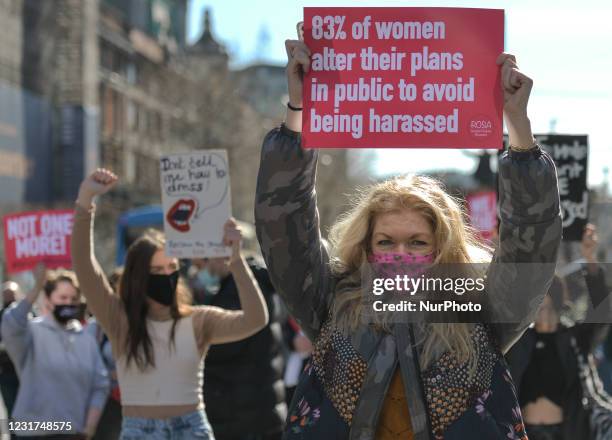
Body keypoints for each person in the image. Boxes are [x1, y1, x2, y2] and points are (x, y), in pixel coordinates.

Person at [253, 33, 562, 439]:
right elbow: (284, 225)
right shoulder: (329, 300)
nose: (400, 254)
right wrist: (299, 112)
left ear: (441, 248)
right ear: (366, 248)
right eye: (385, 242)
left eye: (417, 242)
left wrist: (517, 128)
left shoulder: (481, 308)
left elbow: (530, 242)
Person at [71, 169, 269, 439]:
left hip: (191, 428)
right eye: (157, 269)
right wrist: (86, 200)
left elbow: (256, 319)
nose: (166, 275)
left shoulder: (198, 320)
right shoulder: (119, 319)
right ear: (139, 276)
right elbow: (84, 266)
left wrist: (236, 261)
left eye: (172, 267)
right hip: (139, 430)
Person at [506, 225, 612, 440]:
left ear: (558, 304)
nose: (542, 314)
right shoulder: (518, 340)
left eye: (547, 307)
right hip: (524, 434)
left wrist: (589, 257)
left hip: (567, 433)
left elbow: (600, 313)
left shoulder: (574, 339)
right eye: (537, 308)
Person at [1, 265, 109, 438]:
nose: (68, 303)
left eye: (73, 299)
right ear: (48, 300)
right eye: (63, 297)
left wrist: (89, 426)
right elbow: (11, 324)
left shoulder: (86, 339)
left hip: (71, 432)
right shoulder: (32, 332)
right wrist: (36, 288)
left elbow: (100, 385)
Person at [198, 257, 287, 440]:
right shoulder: (245, 284)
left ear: (216, 257)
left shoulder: (240, 289)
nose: (198, 271)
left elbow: (223, 345)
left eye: (200, 264)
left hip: (245, 413)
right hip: (252, 409)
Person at [0, 281, 20, 420]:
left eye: (11, 294)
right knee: (12, 408)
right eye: (6, 295)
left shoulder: (28, 314)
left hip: (25, 372)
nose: (9, 298)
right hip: (7, 371)